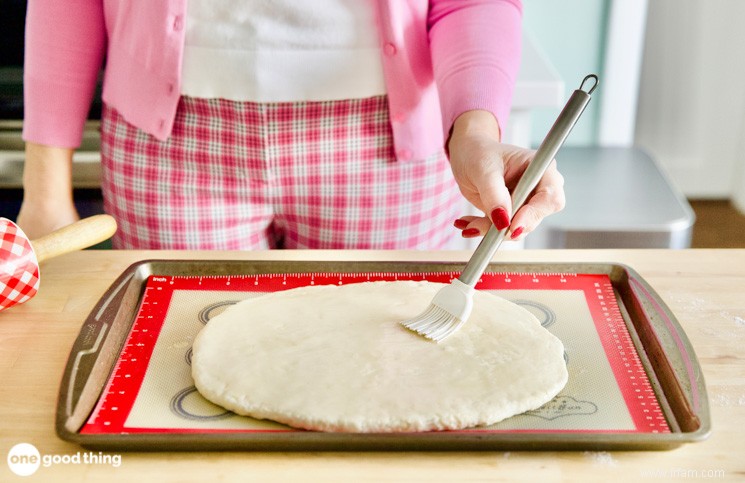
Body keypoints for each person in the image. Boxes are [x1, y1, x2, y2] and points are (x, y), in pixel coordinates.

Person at [19, 0, 565, 250]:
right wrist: (45, 191)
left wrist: (474, 133)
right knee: (182, 361)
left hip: (384, 151)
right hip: (172, 147)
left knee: (383, 367)